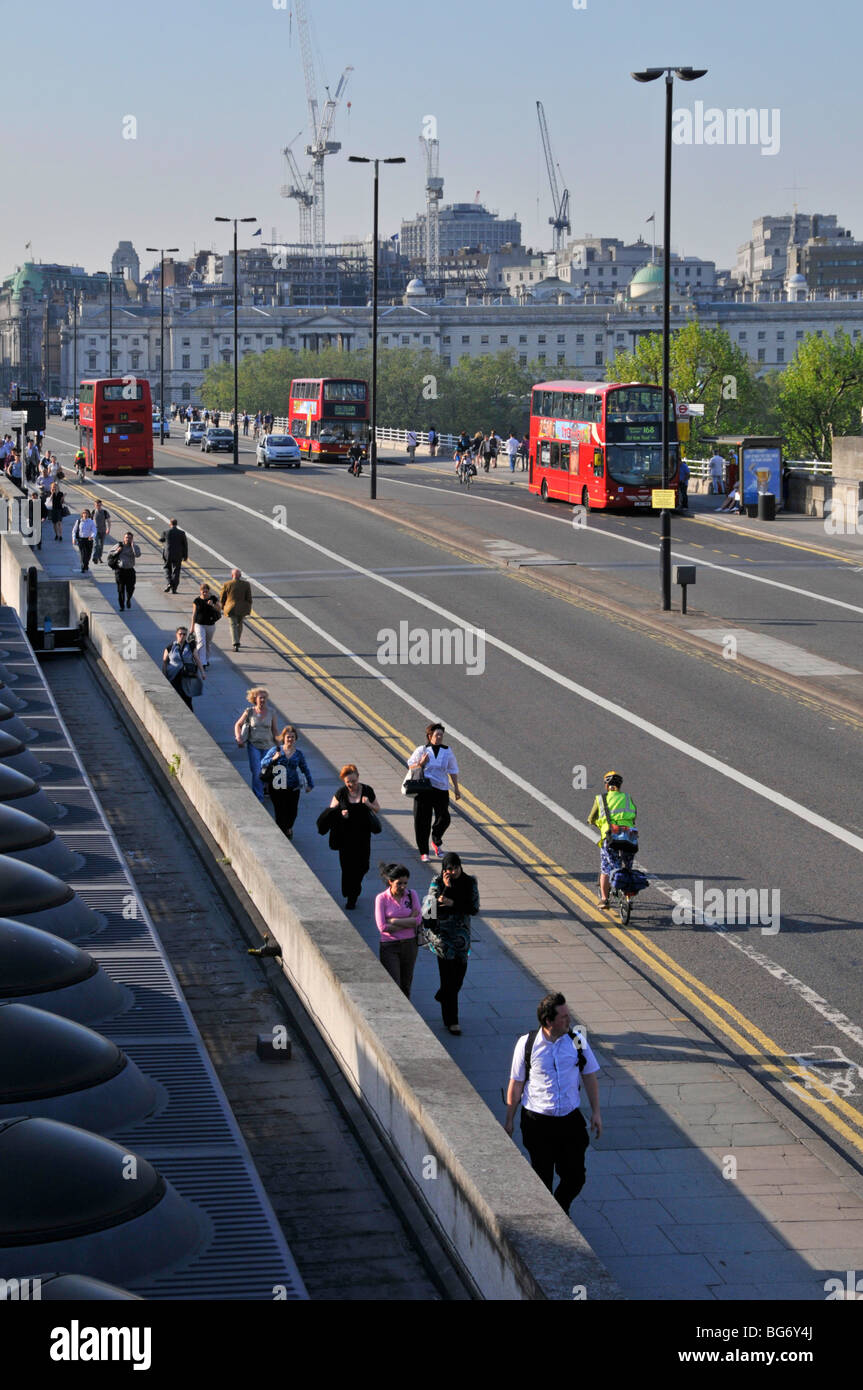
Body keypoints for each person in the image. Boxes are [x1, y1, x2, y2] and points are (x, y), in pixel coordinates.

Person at [504, 992, 602, 1213]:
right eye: (564, 1017)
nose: (569, 1020)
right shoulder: (527, 1044)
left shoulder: (577, 1040)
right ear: (548, 1021)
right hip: (537, 1122)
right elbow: (516, 1083)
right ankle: (555, 1218)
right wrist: (509, 1120)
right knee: (542, 1179)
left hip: (569, 1121)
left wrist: (596, 1112)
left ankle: (560, 1208)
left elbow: (589, 1075)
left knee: (576, 1178)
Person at [421, 852, 479, 1035]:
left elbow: (473, 908)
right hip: (442, 939)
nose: (452, 872)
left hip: (462, 938)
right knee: (447, 978)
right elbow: (428, 913)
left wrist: (451, 902)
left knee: (458, 978)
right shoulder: (436, 882)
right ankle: (452, 1021)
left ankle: (443, 995)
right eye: (448, 869)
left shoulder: (470, 882)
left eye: (455, 868)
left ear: (460, 866)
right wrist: (445, 890)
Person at [318, 764, 381, 910]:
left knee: (363, 867)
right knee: (347, 868)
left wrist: (369, 804)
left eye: (353, 781)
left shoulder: (367, 790)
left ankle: (354, 888)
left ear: (358, 777)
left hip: (363, 836)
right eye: (348, 782)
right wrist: (340, 814)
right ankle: (351, 896)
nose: (351, 784)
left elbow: (377, 808)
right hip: (345, 837)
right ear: (344, 782)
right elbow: (329, 812)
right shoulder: (341, 793)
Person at [407, 722, 460, 862]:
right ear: (430, 736)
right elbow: (410, 765)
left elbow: (453, 770)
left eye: (441, 735)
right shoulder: (421, 750)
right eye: (437, 734)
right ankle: (424, 852)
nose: (440, 737)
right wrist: (421, 764)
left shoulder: (447, 751)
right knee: (422, 821)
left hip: (441, 789)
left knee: (444, 818)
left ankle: (436, 841)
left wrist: (456, 788)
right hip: (424, 789)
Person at [587, 770, 637, 909]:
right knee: (627, 867)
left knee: (606, 868)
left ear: (606, 785)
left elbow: (591, 819)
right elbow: (633, 816)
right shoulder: (628, 797)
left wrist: (600, 824)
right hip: (629, 837)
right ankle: (627, 897)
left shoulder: (601, 799)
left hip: (610, 838)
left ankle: (604, 899)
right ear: (620, 785)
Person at [374, 862, 422, 999]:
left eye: (405, 883)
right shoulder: (381, 899)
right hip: (390, 946)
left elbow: (418, 920)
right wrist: (409, 921)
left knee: (406, 984)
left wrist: (393, 921)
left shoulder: (412, 895)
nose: (403, 887)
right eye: (399, 883)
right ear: (390, 882)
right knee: (394, 983)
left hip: (410, 944)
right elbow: (382, 927)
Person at [260, 725, 314, 840]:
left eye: (292, 737)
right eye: (288, 737)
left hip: (293, 787)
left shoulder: (298, 754)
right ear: (283, 737)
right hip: (277, 787)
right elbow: (263, 763)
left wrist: (310, 784)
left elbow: (305, 768)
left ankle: (288, 827)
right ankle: (283, 833)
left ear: (295, 738)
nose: (290, 739)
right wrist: (274, 758)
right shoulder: (275, 750)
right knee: (280, 811)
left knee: (292, 811)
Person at [234, 688, 279, 802]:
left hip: (268, 747)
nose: (263, 700)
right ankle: (259, 798)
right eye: (260, 697)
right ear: (255, 699)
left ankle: (264, 788)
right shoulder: (249, 711)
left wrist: (280, 747)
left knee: (267, 771)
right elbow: (238, 725)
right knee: (256, 771)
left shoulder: (271, 712)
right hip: (254, 746)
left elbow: (274, 730)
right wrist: (238, 737)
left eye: (265, 698)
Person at [162, 626, 205, 711]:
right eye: (180, 634)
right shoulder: (170, 647)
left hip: (187, 676)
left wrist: (202, 672)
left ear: (186, 636)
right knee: (176, 697)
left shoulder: (191, 647)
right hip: (174, 676)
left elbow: (197, 659)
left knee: (187, 697)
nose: (182, 636)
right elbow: (164, 662)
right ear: (176, 635)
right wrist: (164, 674)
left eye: (184, 634)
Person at [219, 568, 253, 650]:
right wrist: (248, 606)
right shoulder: (246, 584)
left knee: (233, 625)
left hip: (230, 608)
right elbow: (249, 598)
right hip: (242, 608)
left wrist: (222, 606)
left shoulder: (227, 584)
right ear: (240, 576)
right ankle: (237, 641)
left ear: (232, 575)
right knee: (240, 624)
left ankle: (235, 642)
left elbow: (222, 597)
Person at [189, 582, 221, 668]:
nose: (205, 593)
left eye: (206, 591)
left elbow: (219, 609)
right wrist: (191, 627)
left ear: (209, 591)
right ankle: (202, 662)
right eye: (203, 592)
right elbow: (194, 614)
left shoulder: (213, 598)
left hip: (210, 625)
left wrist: (213, 605)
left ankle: (206, 660)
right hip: (199, 624)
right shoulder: (197, 601)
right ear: (200, 591)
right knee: (201, 642)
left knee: (207, 643)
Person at [109, 531, 141, 611]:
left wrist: (133, 546)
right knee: (120, 589)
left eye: (130, 538)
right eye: (127, 537)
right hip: (120, 571)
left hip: (130, 570)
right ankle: (122, 606)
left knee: (131, 588)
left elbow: (137, 555)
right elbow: (110, 553)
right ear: (124, 538)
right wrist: (117, 551)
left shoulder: (135, 547)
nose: (128, 539)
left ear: (132, 539)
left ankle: (128, 599)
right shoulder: (119, 545)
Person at [159, 518, 188, 594]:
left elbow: (161, 539)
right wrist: (185, 556)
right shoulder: (181, 533)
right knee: (176, 570)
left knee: (167, 568)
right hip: (178, 554)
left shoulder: (166, 532)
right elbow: (185, 545)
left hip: (168, 554)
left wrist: (162, 540)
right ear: (176, 524)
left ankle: (169, 583)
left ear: (170, 524)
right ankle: (174, 589)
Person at [71, 508, 97, 573]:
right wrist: (73, 539)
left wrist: (92, 536)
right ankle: (83, 566)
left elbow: (94, 530)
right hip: (81, 540)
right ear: (82, 514)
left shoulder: (91, 522)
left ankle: (86, 564)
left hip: (89, 540)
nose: (85, 514)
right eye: (84, 513)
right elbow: (74, 530)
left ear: (89, 515)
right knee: (82, 554)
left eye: (86, 513)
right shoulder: (79, 521)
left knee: (88, 554)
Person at [91, 499, 110, 563]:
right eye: (97, 505)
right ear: (95, 505)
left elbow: (108, 521)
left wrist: (108, 529)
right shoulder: (93, 512)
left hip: (103, 531)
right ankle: (95, 558)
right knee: (96, 544)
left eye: (99, 505)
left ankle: (99, 557)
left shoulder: (105, 512)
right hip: (95, 531)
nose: (98, 506)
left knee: (101, 545)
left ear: (101, 505)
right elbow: (90, 522)